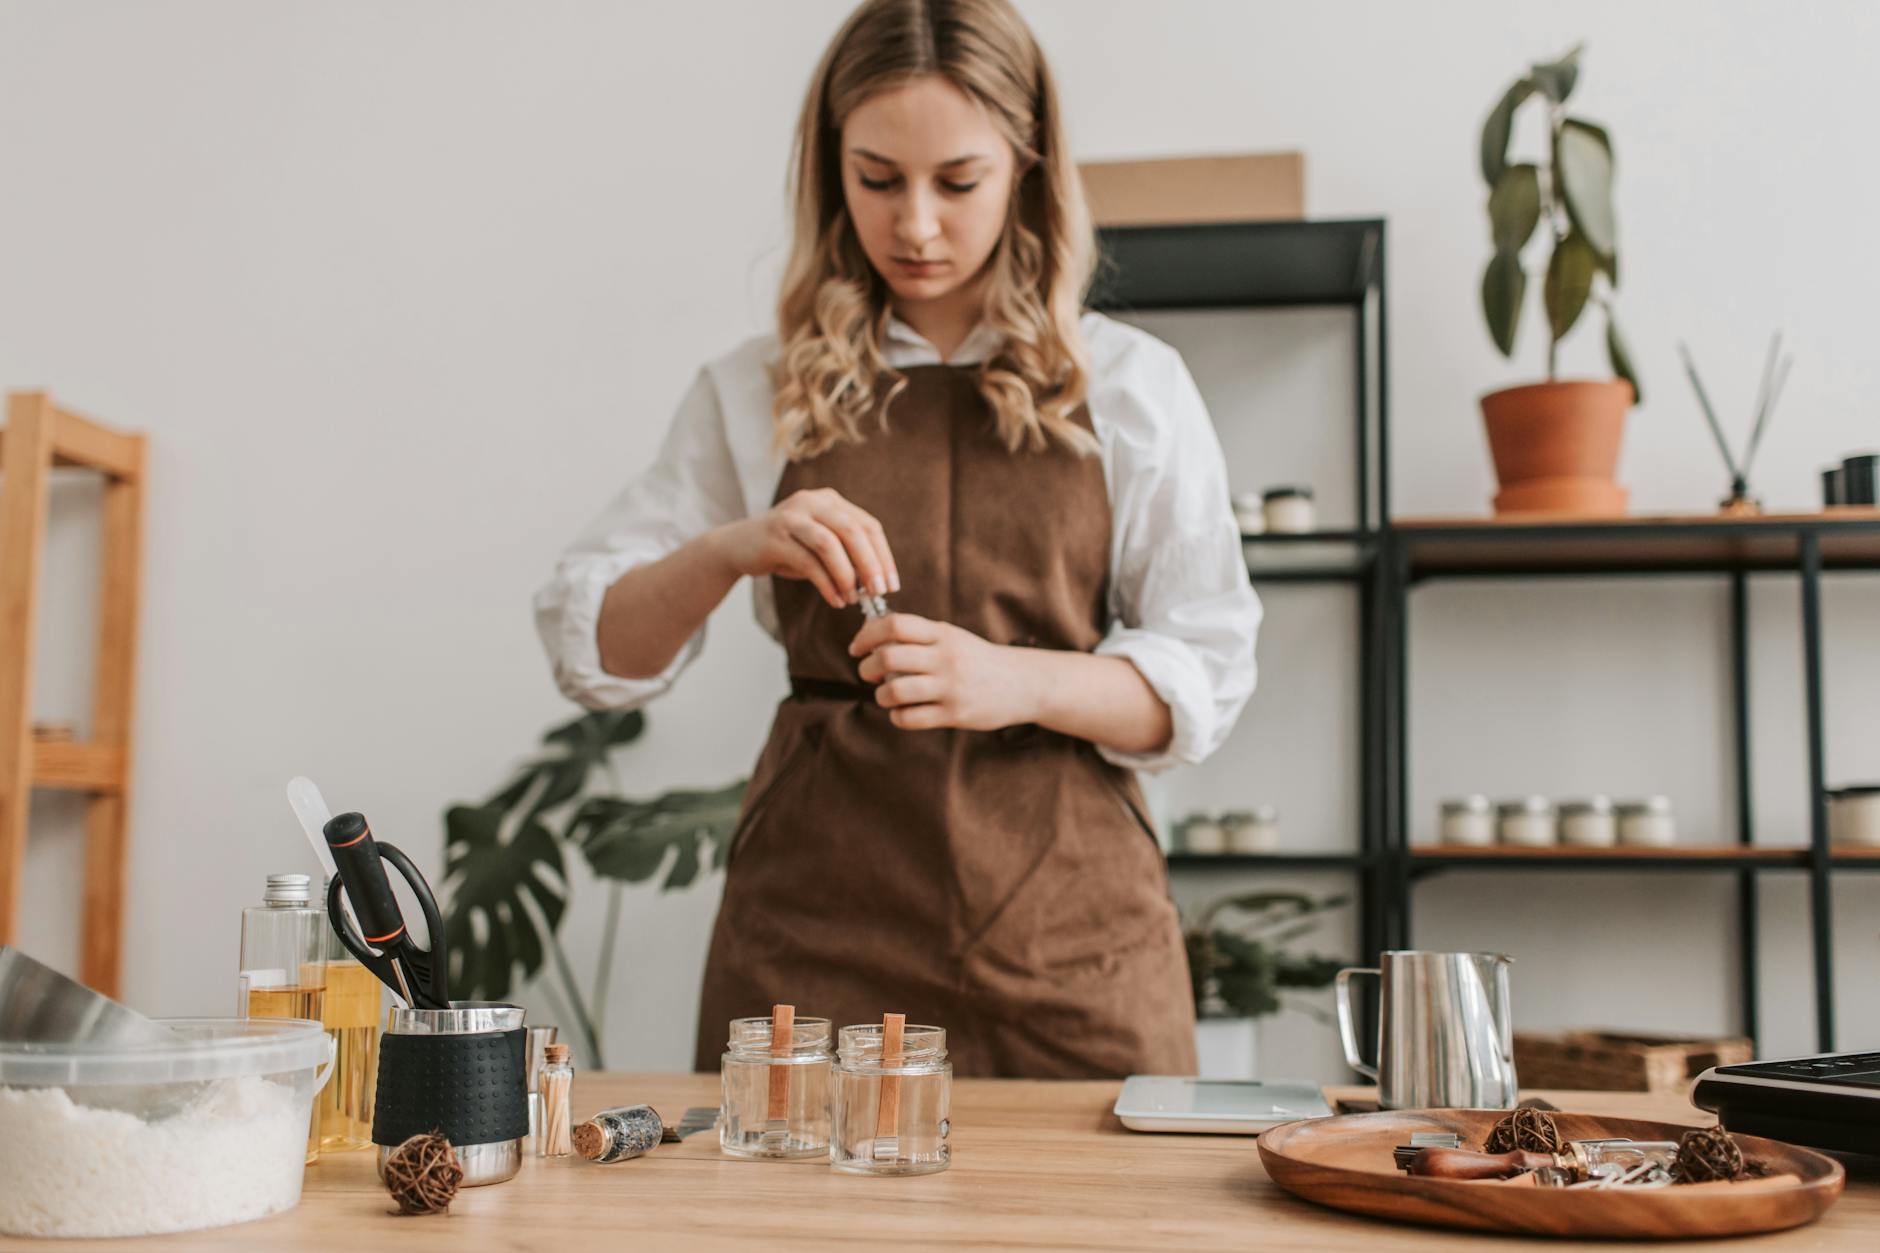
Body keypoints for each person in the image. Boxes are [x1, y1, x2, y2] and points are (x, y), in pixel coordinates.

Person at [535, 0, 1259, 1078]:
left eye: (955, 182)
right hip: (815, 938)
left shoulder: (1130, 385)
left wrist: (1009, 679)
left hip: (1071, 945)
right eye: (877, 179)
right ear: (831, 172)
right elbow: (596, 649)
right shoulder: (752, 388)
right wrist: (735, 545)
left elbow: (1205, 670)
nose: (914, 224)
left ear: (1025, 166)